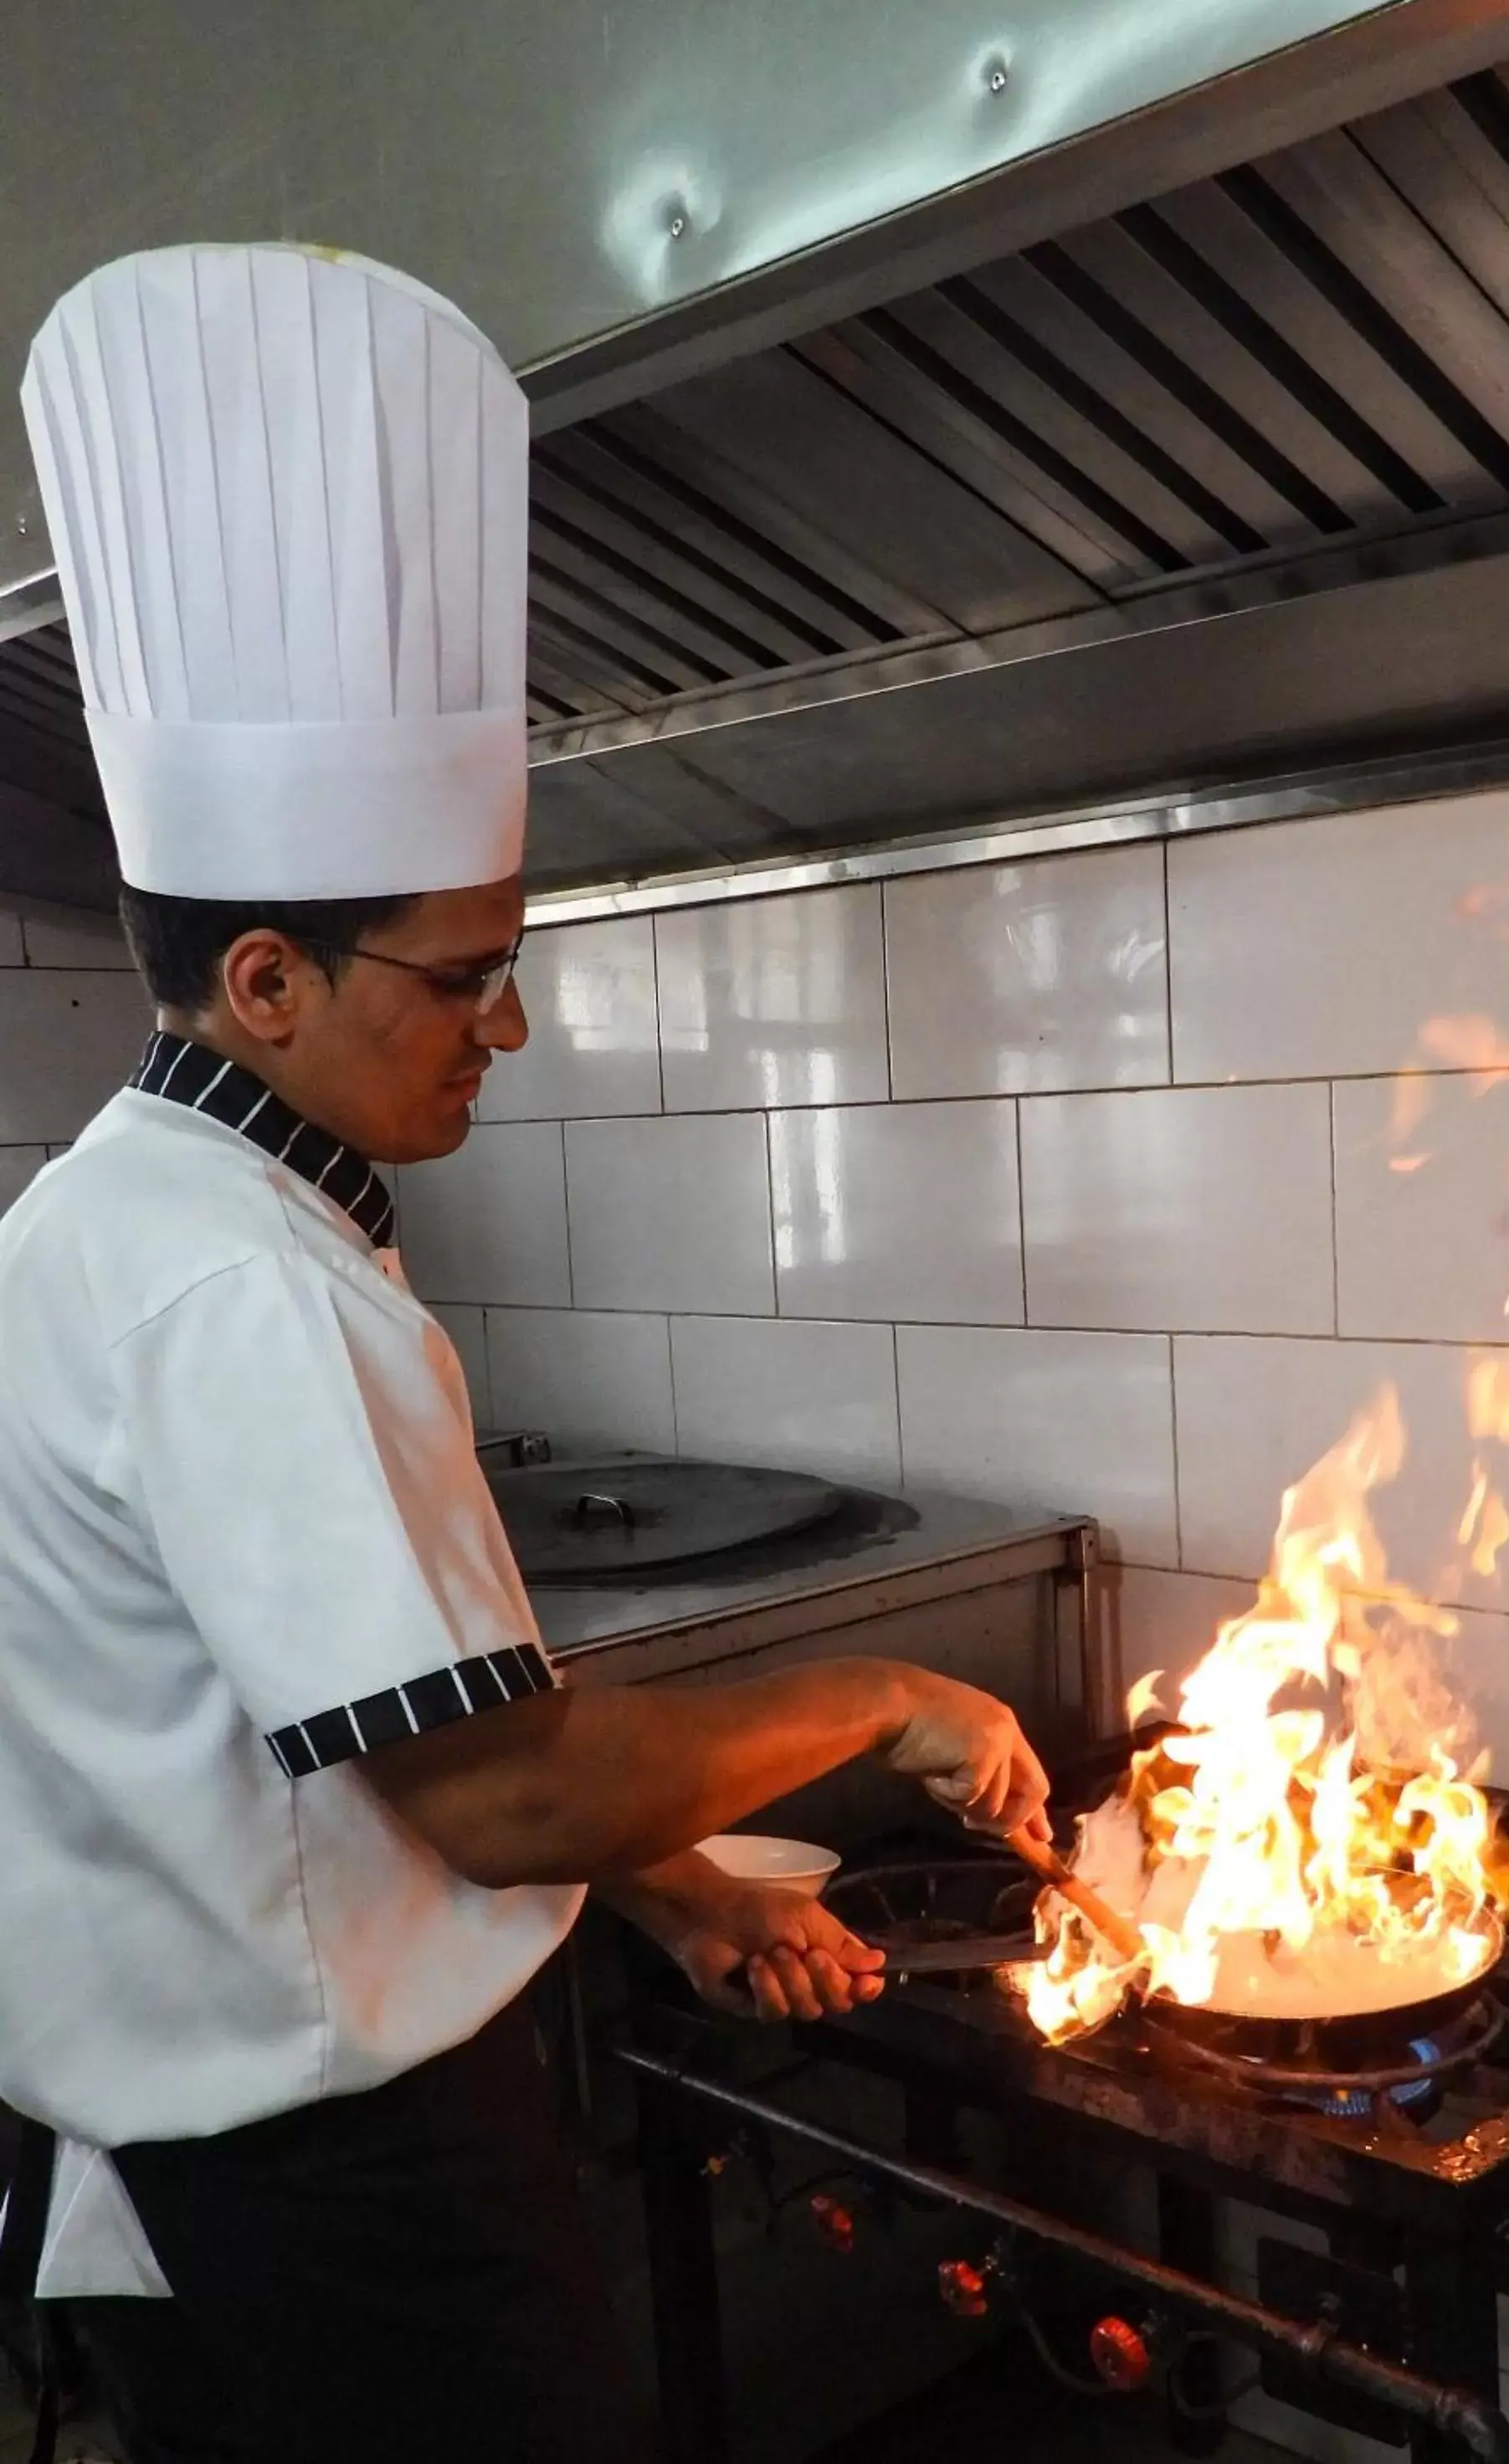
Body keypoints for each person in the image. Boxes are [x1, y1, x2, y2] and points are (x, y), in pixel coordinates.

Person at [0, 244, 1051, 2464]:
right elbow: (490, 1793)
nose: (512, 1020)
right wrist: (886, 1691)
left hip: (222, 2187)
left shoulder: (124, 1216)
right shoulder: (237, 1293)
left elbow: (307, 1753)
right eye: (459, 974)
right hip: (339, 2206)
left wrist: (667, 1888)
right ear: (265, 978)